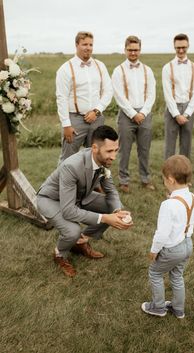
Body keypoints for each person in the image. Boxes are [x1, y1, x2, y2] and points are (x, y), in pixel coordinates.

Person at [37, 126, 132, 277]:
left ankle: (80, 242)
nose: (114, 156)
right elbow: (68, 210)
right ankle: (59, 254)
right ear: (95, 148)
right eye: (109, 151)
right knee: (72, 230)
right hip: (52, 199)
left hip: (79, 197)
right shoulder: (71, 166)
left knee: (112, 206)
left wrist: (116, 212)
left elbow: (111, 190)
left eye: (116, 150)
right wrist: (106, 218)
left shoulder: (103, 161)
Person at [141, 155, 194, 319]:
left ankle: (158, 307)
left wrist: (154, 250)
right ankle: (178, 309)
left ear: (171, 180)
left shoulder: (168, 205)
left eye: (164, 179)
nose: (164, 182)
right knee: (177, 275)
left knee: (155, 274)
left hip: (172, 248)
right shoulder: (193, 198)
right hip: (188, 244)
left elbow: (162, 233)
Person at [56, 31, 113, 163]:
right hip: (74, 120)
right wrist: (66, 125)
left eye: (91, 44)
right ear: (77, 45)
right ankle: (63, 184)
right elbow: (61, 98)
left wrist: (97, 111)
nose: (88, 47)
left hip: (97, 118)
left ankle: (91, 184)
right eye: (84, 44)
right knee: (67, 159)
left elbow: (108, 91)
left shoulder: (100, 66)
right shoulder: (65, 69)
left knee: (96, 157)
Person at [112, 35, 156, 193]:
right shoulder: (118, 71)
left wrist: (143, 112)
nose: (133, 53)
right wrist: (132, 113)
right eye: (130, 50)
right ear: (125, 50)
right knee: (124, 150)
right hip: (126, 115)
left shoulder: (147, 70)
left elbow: (151, 94)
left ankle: (145, 179)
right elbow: (119, 96)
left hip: (145, 114)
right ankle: (124, 181)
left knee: (144, 149)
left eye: (136, 50)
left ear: (140, 50)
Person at [162, 34, 194, 159]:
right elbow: (167, 94)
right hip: (172, 108)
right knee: (170, 146)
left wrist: (187, 113)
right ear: (174, 46)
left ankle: (184, 175)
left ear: (188, 46)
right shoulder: (167, 68)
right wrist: (176, 114)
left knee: (186, 145)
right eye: (178, 47)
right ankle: (168, 176)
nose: (181, 50)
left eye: (183, 47)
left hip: (189, 108)